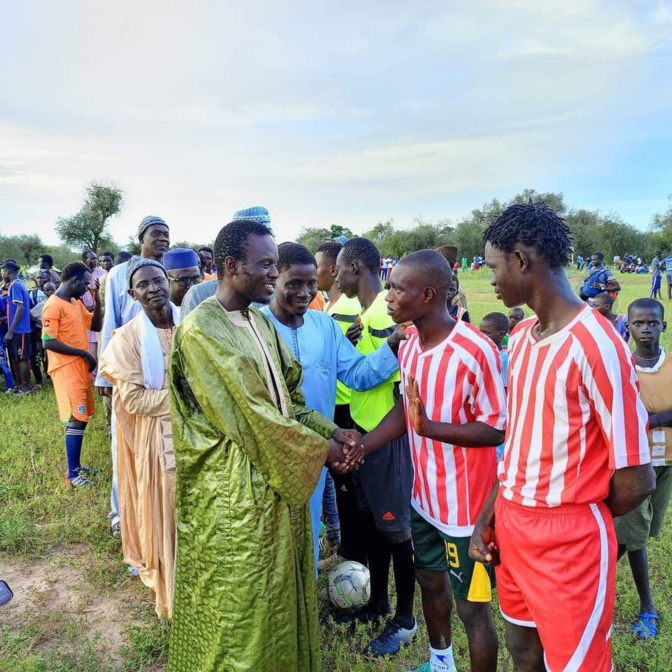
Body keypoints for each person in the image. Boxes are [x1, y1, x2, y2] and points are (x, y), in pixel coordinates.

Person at [167, 219, 363, 672]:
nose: (274, 275)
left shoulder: (259, 321)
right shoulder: (202, 331)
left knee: (283, 591)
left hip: (275, 485)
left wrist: (334, 432)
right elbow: (254, 417)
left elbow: (290, 399)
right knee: (247, 606)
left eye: (276, 264)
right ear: (231, 266)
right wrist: (330, 455)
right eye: (266, 265)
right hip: (237, 494)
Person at [471, 201, 655, 672]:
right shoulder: (524, 336)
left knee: (576, 665)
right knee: (523, 650)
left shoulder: (598, 344)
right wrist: (491, 515)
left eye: (492, 266)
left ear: (520, 261)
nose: (489, 279)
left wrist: (573, 516)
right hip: (511, 525)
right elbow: (518, 445)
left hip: (569, 541)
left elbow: (637, 476)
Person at [359, 251, 506, 672]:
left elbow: (497, 429)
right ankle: (441, 662)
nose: (388, 295)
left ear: (426, 294)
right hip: (423, 500)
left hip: (467, 512)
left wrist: (432, 429)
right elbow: (407, 413)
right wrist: (363, 446)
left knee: (472, 609)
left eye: (396, 288)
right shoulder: (409, 346)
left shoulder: (475, 350)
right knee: (429, 581)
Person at [261, 242, 403, 569]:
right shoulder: (257, 326)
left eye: (311, 283)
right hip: (271, 454)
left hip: (317, 452)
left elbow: (357, 374)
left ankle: (304, 606)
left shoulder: (324, 325)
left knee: (308, 531)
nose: (305, 292)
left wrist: (392, 347)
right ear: (275, 280)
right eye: (293, 284)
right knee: (272, 539)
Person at [334, 238, 417, 658]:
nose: (334, 277)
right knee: (372, 526)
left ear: (355, 267)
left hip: (387, 438)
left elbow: (402, 371)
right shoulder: (365, 315)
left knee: (397, 529)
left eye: (338, 269)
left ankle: (405, 619)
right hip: (364, 432)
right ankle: (377, 602)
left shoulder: (388, 311)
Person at [99, 259, 179, 619]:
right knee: (167, 514)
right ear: (132, 294)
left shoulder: (192, 325)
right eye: (143, 285)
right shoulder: (128, 338)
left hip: (203, 437)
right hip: (159, 440)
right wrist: (186, 399)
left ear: (170, 283)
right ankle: (175, 594)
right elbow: (134, 400)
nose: (153, 289)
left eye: (158, 281)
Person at [96, 216, 170, 536]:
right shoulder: (117, 274)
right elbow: (109, 320)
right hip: (128, 364)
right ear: (141, 236)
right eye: (157, 234)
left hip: (163, 369)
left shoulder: (170, 271)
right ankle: (120, 515)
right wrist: (104, 376)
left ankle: (160, 515)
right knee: (123, 445)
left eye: (167, 234)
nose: (163, 239)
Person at [612, 298, 672, 641]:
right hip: (634, 464)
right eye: (639, 323)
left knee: (644, 531)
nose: (646, 329)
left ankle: (588, 573)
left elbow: (634, 416)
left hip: (666, 464)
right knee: (634, 538)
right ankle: (647, 607)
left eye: (652, 323)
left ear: (663, 325)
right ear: (629, 327)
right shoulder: (621, 366)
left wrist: (651, 419)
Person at [316, 240, 368, 564]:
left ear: (333, 270)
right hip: (336, 406)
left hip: (344, 406)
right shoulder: (328, 310)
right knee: (341, 484)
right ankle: (342, 541)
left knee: (347, 484)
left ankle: (351, 550)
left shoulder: (343, 312)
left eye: (317, 266)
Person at [42, 261, 102, 487]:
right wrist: (83, 353)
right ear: (74, 280)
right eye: (85, 284)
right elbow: (48, 341)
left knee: (82, 418)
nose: (86, 288)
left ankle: (76, 466)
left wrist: (99, 299)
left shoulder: (75, 303)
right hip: (66, 368)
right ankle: (72, 475)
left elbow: (95, 324)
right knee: (76, 418)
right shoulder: (53, 305)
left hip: (79, 367)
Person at [181, 206, 271, 318]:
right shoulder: (199, 294)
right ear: (232, 264)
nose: (274, 273)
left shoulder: (273, 295)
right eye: (264, 263)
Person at [2, 259, 34, 394]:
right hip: (19, 329)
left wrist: (10, 330)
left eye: (2, 270)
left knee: (21, 358)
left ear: (8, 272)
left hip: (20, 330)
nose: (1, 273)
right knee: (19, 357)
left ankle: (25, 387)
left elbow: (20, 309)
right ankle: (22, 385)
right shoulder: (19, 284)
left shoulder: (15, 285)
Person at [81, 251, 106, 381]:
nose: (95, 261)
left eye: (96, 258)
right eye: (91, 259)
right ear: (84, 260)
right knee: (90, 350)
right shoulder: (80, 274)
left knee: (101, 349)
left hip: (100, 315)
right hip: (85, 317)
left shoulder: (102, 273)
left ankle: (102, 376)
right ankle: (92, 377)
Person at [28, 270, 48, 387]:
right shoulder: (32, 294)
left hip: (51, 330)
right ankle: (39, 379)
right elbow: (30, 313)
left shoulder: (53, 291)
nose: (40, 280)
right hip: (37, 330)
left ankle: (49, 374)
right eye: (38, 277)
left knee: (49, 354)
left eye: (43, 278)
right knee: (36, 354)